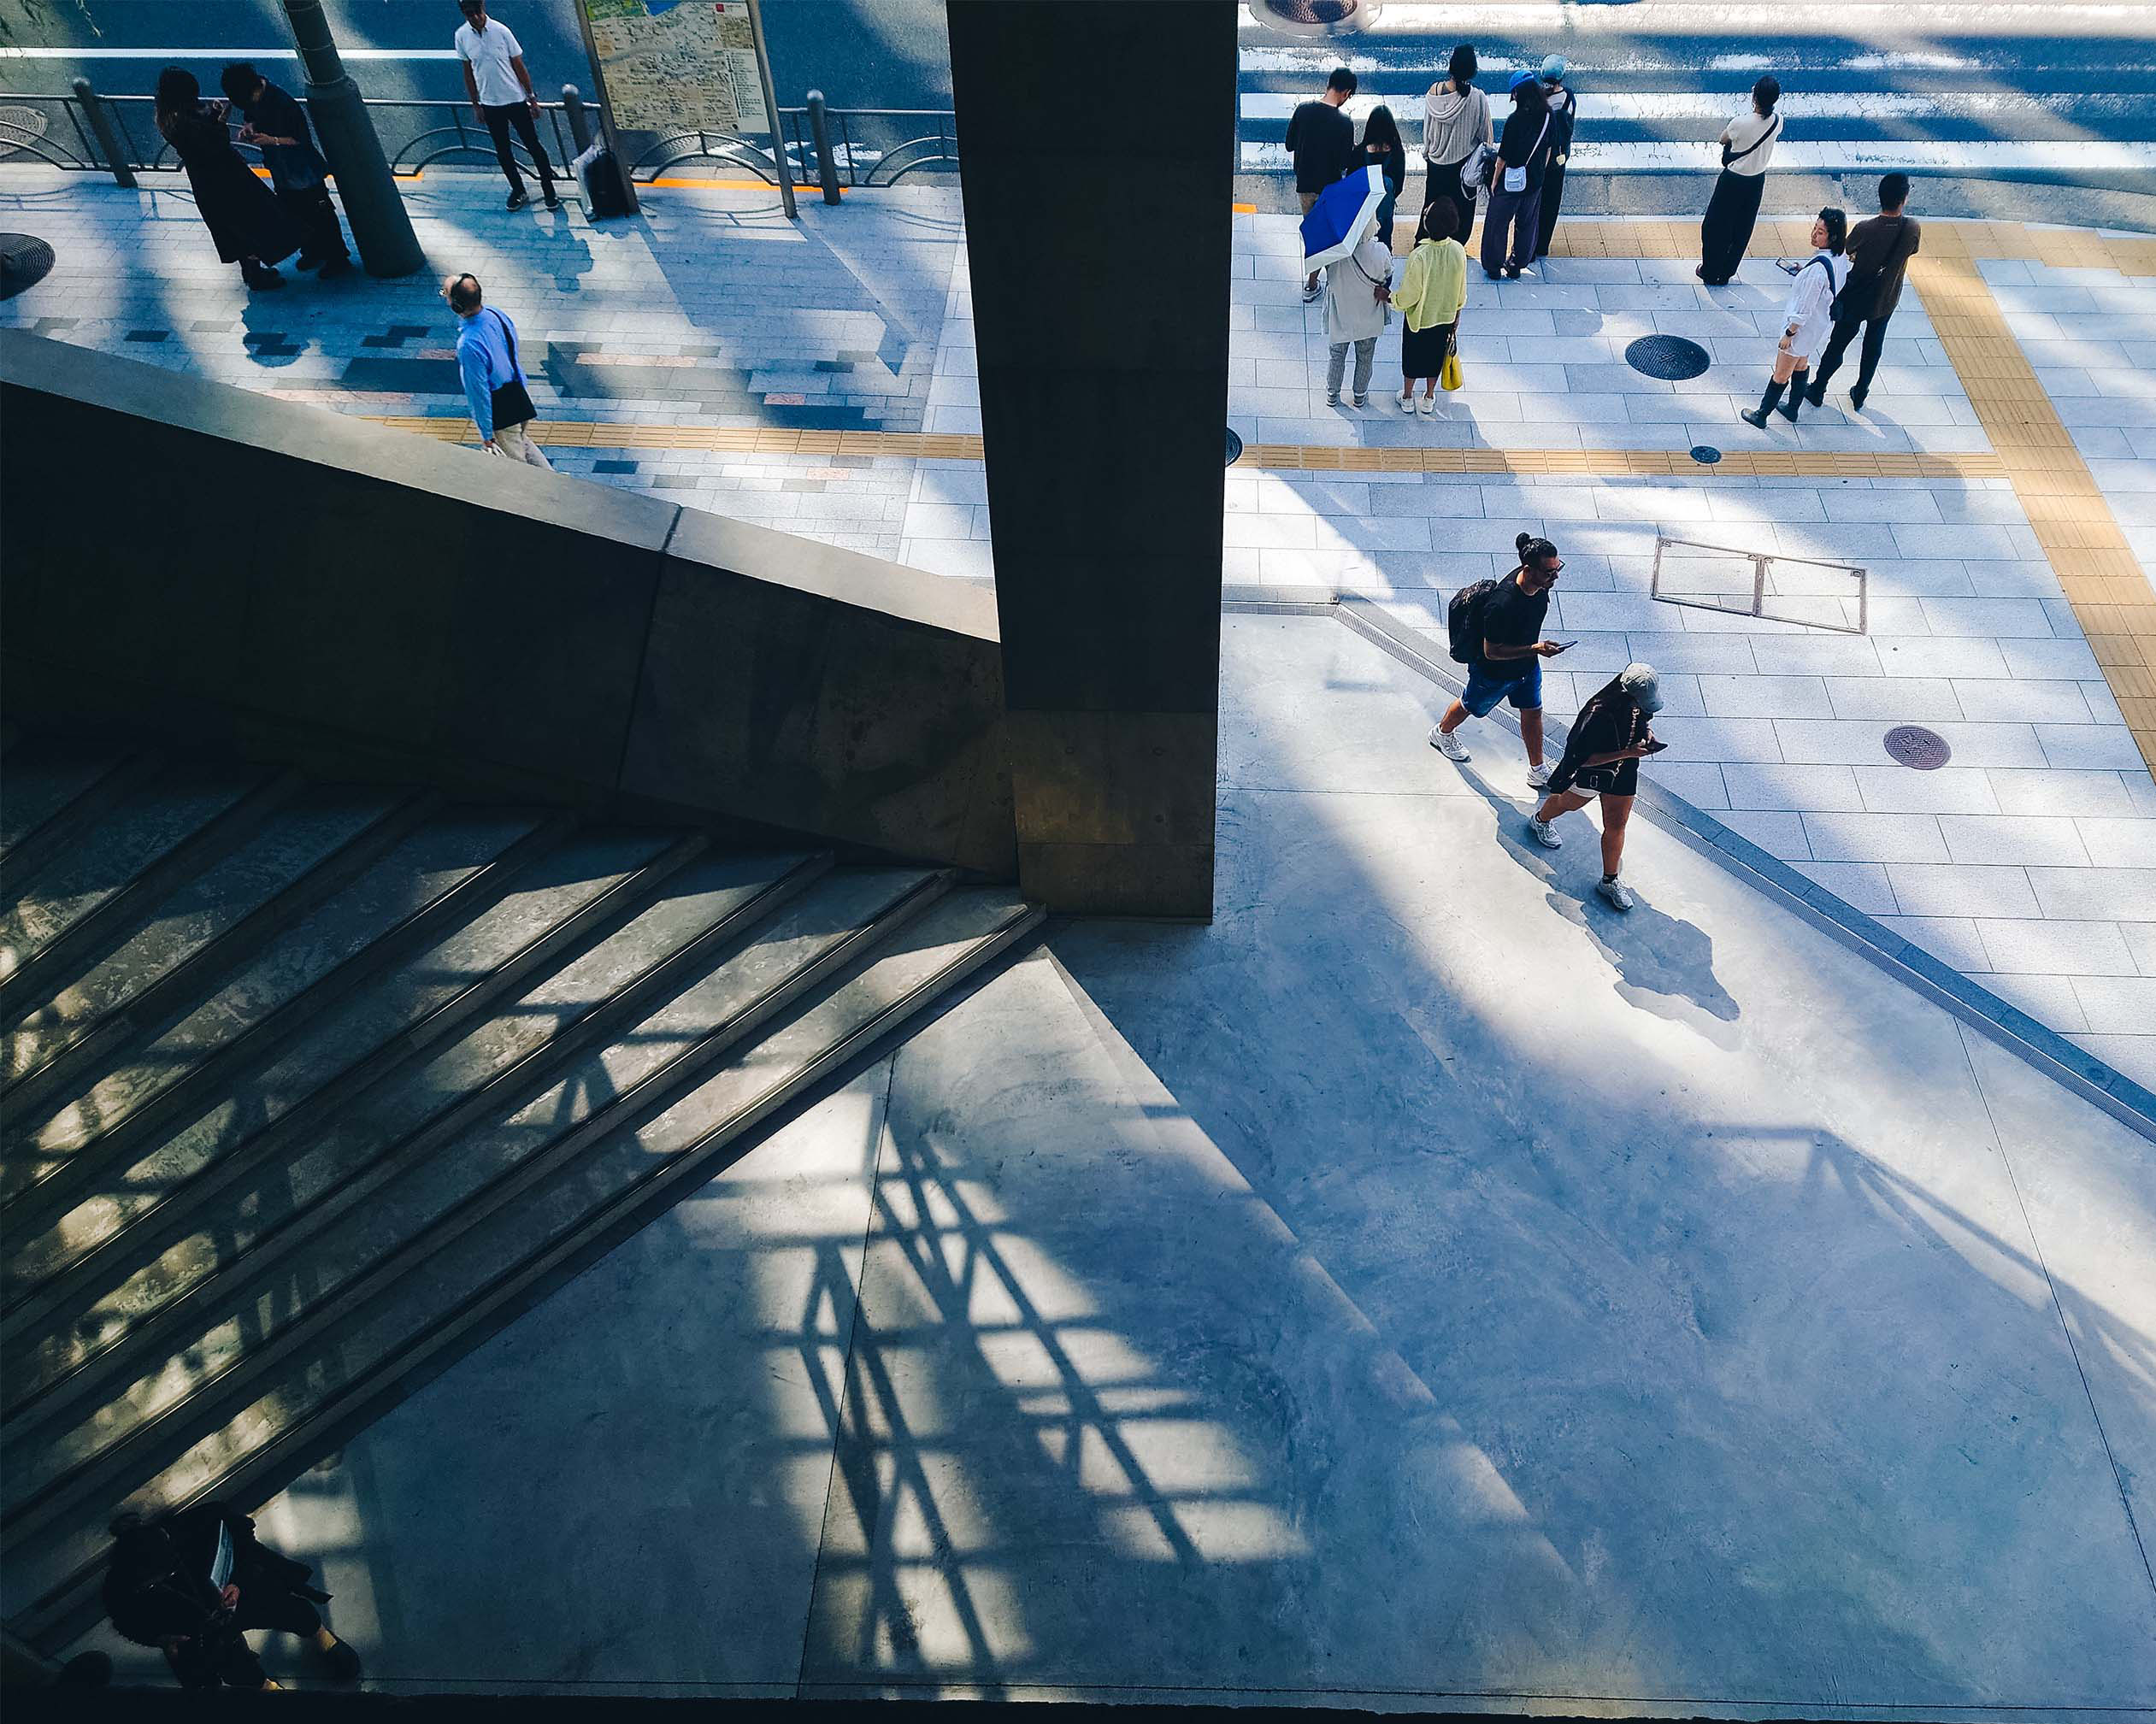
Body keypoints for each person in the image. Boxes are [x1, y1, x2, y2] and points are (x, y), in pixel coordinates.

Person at [103, 1503, 361, 1690]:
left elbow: (244, 1537)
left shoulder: (200, 1524)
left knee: (284, 1607)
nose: (165, 1579)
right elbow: (126, 1622)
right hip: (197, 1626)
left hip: (239, 1591)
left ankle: (321, 1637)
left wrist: (237, 1580)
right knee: (231, 1664)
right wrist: (161, 1638)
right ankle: (264, 1687)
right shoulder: (122, 1588)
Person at [1525, 663, 1665, 913]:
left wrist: (1647, 734)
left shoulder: (1637, 701)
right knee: (1567, 804)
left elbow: (1644, 718)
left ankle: (1609, 880)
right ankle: (1541, 819)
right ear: (1627, 694)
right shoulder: (1597, 715)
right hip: (1594, 773)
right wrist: (1628, 752)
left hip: (1624, 768)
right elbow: (1582, 759)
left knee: (1617, 824)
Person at [1429, 532, 1568, 779]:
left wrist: (1532, 652)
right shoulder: (1501, 605)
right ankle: (1442, 733)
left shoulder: (1539, 586)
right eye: (1550, 571)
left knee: (1533, 711)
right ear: (1528, 569)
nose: (1555, 576)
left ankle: (1537, 769)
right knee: (1469, 705)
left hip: (1527, 668)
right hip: (1493, 674)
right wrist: (1534, 648)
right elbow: (1491, 652)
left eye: (1558, 568)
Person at [152, 68, 297, 291]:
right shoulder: (185, 121)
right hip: (225, 177)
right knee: (248, 221)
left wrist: (212, 117)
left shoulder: (168, 117)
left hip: (205, 179)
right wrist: (221, 120)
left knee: (235, 226)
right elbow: (215, 143)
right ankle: (256, 275)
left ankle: (251, 271)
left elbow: (201, 141)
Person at [219, 63, 352, 278]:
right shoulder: (252, 97)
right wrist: (249, 126)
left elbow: (300, 139)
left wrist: (271, 140)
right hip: (282, 171)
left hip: (304, 172)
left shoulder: (283, 104)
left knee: (322, 216)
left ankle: (337, 257)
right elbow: (250, 114)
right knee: (296, 214)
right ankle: (312, 251)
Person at [1806, 172, 1922, 413]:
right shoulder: (1912, 228)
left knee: (1838, 344)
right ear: (1904, 199)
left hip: (1855, 296)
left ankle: (1818, 388)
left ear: (1880, 197)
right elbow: (1912, 251)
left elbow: (1845, 250)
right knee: (1873, 345)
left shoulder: (1866, 228)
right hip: (1886, 298)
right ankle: (1860, 392)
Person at [1741, 206, 1847, 428]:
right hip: (1817, 327)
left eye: (1820, 232)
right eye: (1815, 228)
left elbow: (1804, 308)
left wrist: (1789, 334)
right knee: (1801, 364)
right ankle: (1792, 409)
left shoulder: (1816, 272)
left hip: (1801, 329)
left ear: (1832, 237)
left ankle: (1761, 415)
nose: (1814, 234)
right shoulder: (1839, 258)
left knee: (1781, 373)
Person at [455, 0, 559, 211]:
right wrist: (476, 105)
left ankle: (549, 189)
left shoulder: (501, 31)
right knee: (503, 152)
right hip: (490, 104)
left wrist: (532, 98)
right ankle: (518, 190)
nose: (474, 17)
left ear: (483, 8)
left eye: (476, 12)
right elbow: (468, 73)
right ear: (464, 14)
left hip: (515, 100)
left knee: (534, 147)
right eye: (469, 14)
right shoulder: (461, 36)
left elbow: (519, 66)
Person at [445, 272, 551, 468]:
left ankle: (549, 492)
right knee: (521, 442)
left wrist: (486, 434)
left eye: (446, 294)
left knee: (516, 466)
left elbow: (478, 392)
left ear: (456, 305)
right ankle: (552, 476)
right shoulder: (496, 314)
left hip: (501, 408)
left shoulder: (469, 344)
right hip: (518, 394)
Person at [1698, 76, 1782, 285]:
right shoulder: (1778, 121)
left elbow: (1723, 139)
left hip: (1733, 180)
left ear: (1755, 97)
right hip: (1756, 181)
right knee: (1742, 228)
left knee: (1715, 226)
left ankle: (1710, 270)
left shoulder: (1740, 123)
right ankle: (1726, 272)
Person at [1390, 196, 1467, 413]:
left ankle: (1407, 397)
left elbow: (1410, 295)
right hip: (1445, 318)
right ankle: (1429, 398)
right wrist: (1457, 316)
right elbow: (1461, 290)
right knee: (1435, 359)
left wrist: (1392, 299)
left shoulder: (1419, 256)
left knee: (1412, 359)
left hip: (1419, 320)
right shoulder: (1458, 251)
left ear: (1428, 224)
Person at [1287, 67, 1358, 301]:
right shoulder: (1345, 123)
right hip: (1330, 189)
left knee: (1314, 234)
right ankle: (1331, 283)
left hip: (1305, 186)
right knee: (1330, 236)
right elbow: (1345, 162)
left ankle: (1311, 284)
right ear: (1346, 93)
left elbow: (1289, 144)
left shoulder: (1303, 110)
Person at [1481, 74, 1555, 280]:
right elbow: (1548, 149)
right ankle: (1516, 264)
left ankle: (1494, 266)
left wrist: (1495, 181)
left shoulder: (1515, 120)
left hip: (1510, 182)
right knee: (1527, 223)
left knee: (1497, 223)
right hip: (1534, 181)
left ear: (1517, 94)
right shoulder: (1548, 115)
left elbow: (1502, 157)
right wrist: (1539, 172)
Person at [1419, 45, 1491, 248]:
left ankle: (1426, 239)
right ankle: (1456, 245)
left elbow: (1428, 128)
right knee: (1461, 209)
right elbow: (1485, 138)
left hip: (1436, 162)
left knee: (1432, 203)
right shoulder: (1477, 98)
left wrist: (1428, 151)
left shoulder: (1434, 92)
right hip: (1463, 164)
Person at [1324, 218, 1392, 408]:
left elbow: (1328, 273)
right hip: (1369, 314)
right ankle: (1360, 395)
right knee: (1365, 355)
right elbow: (1388, 274)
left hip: (1341, 314)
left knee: (1337, 354)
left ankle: (1332, 393)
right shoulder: (1381, 251)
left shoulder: (1336, 250)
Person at [1533, 55, 1576, 262]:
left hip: (1538, 159)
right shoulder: (1569, 99)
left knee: (1534, 202)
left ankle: (1529, 242)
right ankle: (1543, 244)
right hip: (1558, 159)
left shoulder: (1537, 99)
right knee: (1551, 203)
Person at [1353, 103, 1408, 248]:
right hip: (1384, 214)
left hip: (1362, 212)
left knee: (1362, 244)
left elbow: (1351, 182)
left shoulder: (1359, 152)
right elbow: (1399, 186)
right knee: (1383, 244)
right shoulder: (1397, 153)